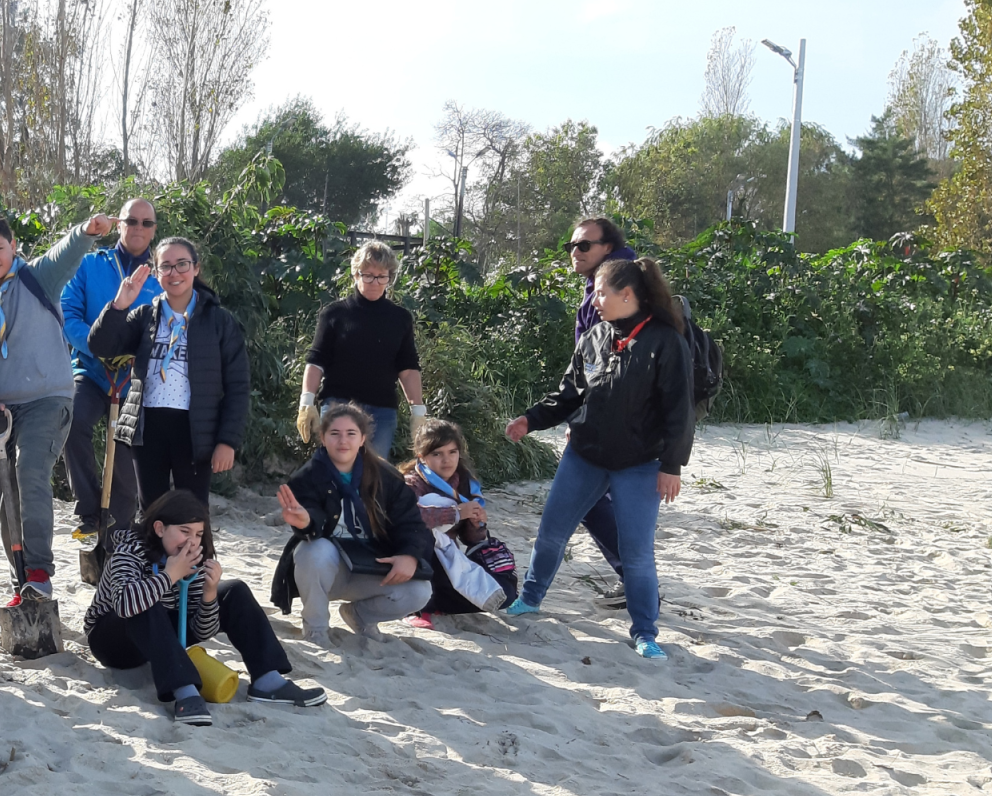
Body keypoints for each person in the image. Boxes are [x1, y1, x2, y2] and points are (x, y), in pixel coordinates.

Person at [502, 257, 691, 660]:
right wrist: (530, 420)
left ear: (627, 294)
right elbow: (568, 394)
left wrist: (672, 466)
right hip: (584, 455)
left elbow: (679, 411)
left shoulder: (665, 341)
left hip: (640, 464)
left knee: (636, 554)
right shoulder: (594, 336)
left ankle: (645, 633)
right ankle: (529, 599)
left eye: (601, 292)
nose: (594, 300)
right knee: (551, 533)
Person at [0, 208, 108, 599]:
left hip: (48, 399)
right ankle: (20, 577)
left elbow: (64, 254)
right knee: (5, 491)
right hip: (0, 411)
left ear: (13, 245)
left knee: (29, 472)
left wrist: (86, 231)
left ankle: (39, 571)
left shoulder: (37, 276)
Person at [85, 490, 325, 727]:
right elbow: (125, 604)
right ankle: (185, 692)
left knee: (234, 590)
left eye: (198, 534)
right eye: (184, 531)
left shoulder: (195, 558)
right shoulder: (130, 552)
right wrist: (169, 575)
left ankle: (268, 680)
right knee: (144, 603)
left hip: (159, 635)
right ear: (159, 529)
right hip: (112, 640)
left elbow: (200, 631)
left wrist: (209, 597)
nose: (192, 542)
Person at [87, 237, 249, 504]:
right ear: (156, 272)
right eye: (166, 266)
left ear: (196, 268)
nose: (174, 273)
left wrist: (228, 441)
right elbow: (101, 346)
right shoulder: (143, 316)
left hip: (195, 430)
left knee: (193, 512)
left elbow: (238, 386)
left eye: (182, 264)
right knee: (152, 511)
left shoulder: (219, 321)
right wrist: (118, 306)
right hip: (149, 427)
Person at [270, 404, 435, 645]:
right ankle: (316, 629)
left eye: (351, 433)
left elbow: (410, 523)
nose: (343, 441)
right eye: (334, 433)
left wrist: (409, 555)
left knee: (419, 591)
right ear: (323, 438)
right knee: (312, 550)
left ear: (363, 438)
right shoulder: (307, 476)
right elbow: (311, 515)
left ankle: (360, 616)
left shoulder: (387, 477)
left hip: (371, 567)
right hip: (328, 570)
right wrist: (307, 523)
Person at [59, 197, 162, 539]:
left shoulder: (162, 276)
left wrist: (134, 356)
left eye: (146, 223)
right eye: (131, 221)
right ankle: (89, 509)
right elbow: (67, 314)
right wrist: (96, 346)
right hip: (90, 371)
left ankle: (117, 527)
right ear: (119, 224)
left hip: (134, 379)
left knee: (126, 448)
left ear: (154, 230)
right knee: (72, 420)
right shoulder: (89, 265)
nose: (138, 228)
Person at [562, 217, 638, 594]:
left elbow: (602, 361)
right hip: (624, 415)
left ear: (608, 247)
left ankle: (636, 579)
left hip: (614, 415)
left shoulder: (615, 286)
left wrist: (582, 415)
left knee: (587, 499)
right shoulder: (611, 281)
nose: (575, 252)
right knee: (613, 503)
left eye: (584, 245)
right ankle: (636, 580)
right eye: (572, 246)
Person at [298, 240, 424, 459]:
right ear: (355, 275)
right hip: (338, 406)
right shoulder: (334, 314)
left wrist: (418, 411)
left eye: (381, 276)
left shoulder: (400, 318)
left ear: (390, 277)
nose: (374, 282)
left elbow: (408, 367)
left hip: (381, 412)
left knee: (373, 472)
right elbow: (316, 360)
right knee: (336, 468)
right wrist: (306, 402)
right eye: (368, 275)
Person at [399, 420, 518, 625]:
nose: (446, 460)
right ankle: (416, 609)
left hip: (447, 563)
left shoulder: (464, 483)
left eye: (452, 452)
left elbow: (471, 540)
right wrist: (454, 514)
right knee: (424, 532)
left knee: (504, 594)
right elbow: (409, 519)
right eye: (437, 454)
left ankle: (436, 602)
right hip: (413, 562)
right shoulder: (411, 482)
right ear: (422, 457)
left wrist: (476, 524)